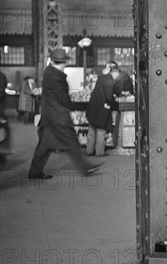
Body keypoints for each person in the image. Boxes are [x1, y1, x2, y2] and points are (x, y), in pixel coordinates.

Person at [28, 48, 102, 179]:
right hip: (59, 116)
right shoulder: (57, 77)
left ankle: (34, 171)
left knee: (45, 145)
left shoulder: (48, 72)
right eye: (64, 63)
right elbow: (64, 100)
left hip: (48, 115)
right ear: (62, 63)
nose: (65, 65)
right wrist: (82, 105)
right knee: (71, 141)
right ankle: (85, 168)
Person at [86, 61, 120, 156]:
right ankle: (99, 152)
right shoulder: (109, 80)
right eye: (117, 74)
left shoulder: (101, 77)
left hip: (93, 106)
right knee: (101, 131)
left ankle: (89, 151)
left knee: (92, 130)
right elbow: (109, 97)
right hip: (102, 108)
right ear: (114, 72)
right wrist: (114, 99)